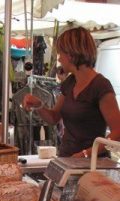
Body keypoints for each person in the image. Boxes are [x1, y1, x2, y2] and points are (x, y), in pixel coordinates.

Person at [23, 26, 120, 158]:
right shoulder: (70, 82)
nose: (59, 59)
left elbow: (117, 132)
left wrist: (86, 154)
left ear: (72, 54)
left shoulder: (100, 85)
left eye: (60, 54)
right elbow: (53, 118)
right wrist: (38, 105)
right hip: (67, 158)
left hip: (92, 166)